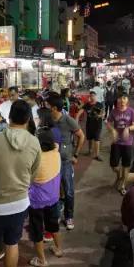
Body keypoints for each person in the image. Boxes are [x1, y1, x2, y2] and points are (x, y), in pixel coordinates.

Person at [0, 100, 42, 267]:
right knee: (12, 243)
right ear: (28, 119)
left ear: (10, 116)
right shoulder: (34, 142)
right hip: (20, 202)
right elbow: (33, 173)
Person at [46, 94, 84, 230]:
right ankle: (55, 214)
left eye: (48, 105)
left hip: (66, 161)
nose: (45, 107)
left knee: (68, 190)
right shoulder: (47, 120)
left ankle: (69, 216)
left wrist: (76, 155)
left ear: (55, 108)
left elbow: (81, 136)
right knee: (53, 190)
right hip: (51, 161)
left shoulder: (68, 120)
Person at [28, 128, 64, 267]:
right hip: (53, 198)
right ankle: (59, 249)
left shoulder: (36, 158)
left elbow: (28, 179)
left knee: (37, 230)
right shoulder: (56, 153)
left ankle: (42, 260)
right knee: (53, 225)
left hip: (36, 200)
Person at [107, 92, 134, 195]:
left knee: (126, 165)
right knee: (114, 165)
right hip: (116, 142)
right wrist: (112, 130)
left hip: (128, 143)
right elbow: (108, 123)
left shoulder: (131, 111)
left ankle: (123, 185)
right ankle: (119, 174)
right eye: (120, 98)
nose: (122, 100)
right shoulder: (113, 112)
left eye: (124, 98)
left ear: (127, 100)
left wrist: (128, 128)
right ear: (117, 101)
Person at [82, 91, 105, 161]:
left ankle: (97, 155)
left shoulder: (99, 104)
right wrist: (76, 118)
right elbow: (81, 111)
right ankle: (89, 151)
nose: (92, 97)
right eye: (91, 96)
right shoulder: (87, 105)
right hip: (89, 124)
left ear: (95, 96)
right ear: (89, 97)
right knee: (89, 138)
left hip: (98, 125)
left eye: (93, 96)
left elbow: (103, 113)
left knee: (97, 139)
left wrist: (100, 115)